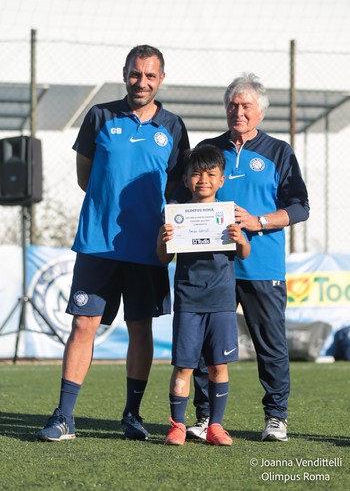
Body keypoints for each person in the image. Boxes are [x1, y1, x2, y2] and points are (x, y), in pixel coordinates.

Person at [36, 44, 190, 442]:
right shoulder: (99, 115)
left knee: (139, 328)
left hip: (147, 249)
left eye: (150, 75)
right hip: (98, 243)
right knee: (83, 324)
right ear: (125, 73)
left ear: (161, 78)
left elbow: (177, 191)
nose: (142, 82)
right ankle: (64, 416)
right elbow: (85, 176)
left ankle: (132, 415)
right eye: (135, 74)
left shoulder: (173, 126)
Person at [187, 72, 310, 443]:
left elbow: (300, 207)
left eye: (246, 106)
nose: (238, 111)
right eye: (232, 105)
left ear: (260, 112)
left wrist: (258, 221)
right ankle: (205, 417)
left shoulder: (278, 152)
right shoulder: (208, 148)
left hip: (262, 266)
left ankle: (276, 417)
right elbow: (184, 195)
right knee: (205, 349)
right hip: (212, 267)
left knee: (270, 344)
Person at [157, 144, 250, 446]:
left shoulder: (229, 214)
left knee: (217, 366)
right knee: (183, 365)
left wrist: (239, 238)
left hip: (222, 302)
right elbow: (163, 259)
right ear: (185, 180)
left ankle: (216, 426)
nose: (203, 180)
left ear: (222, 180)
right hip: (188, 301)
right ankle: (177, 426)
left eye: (211, 174)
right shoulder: (176, 215)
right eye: (196, 174)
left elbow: (245, 253)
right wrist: (163, 240)